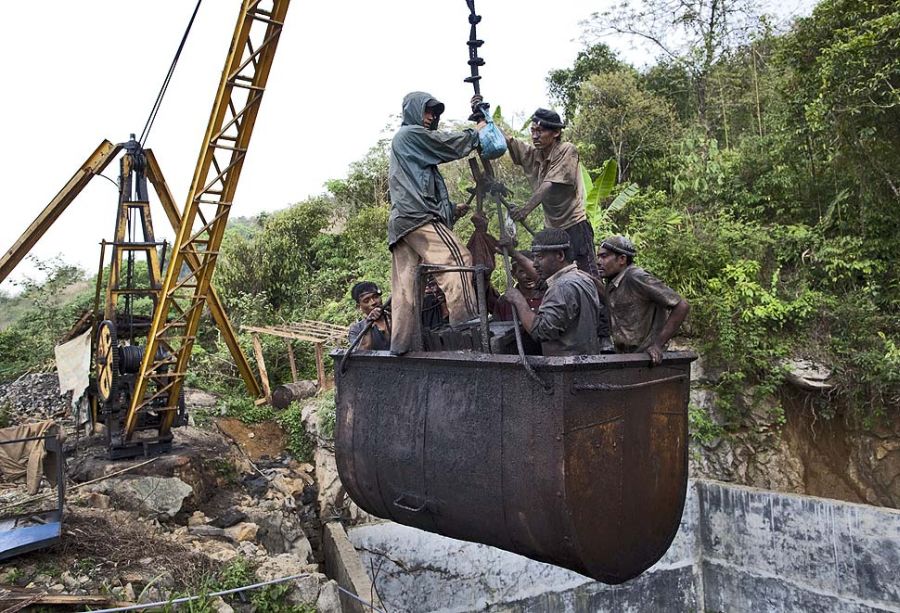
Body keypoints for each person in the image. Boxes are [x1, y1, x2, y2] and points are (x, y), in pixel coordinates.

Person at [388, 91, 487, 354]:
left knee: (407, 287)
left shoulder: (409, 146)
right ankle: (468, 321)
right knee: (458, 260)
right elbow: (447, 144)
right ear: (413, 112)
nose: (432, 117)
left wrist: (452, 210)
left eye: (436, 112)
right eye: (428, 110)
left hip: (402, 222)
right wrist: (477, 133)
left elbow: (418, 188)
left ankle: (401, 345)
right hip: (418, 216)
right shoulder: (409, 134)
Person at [502, 228, 602, 357]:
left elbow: (541, 332)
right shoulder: (583, 279)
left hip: (566, 368)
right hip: (587, 361)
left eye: (539, 257)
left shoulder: (561, 287)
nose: (535, 264)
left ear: (560, 255)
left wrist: (519, 300)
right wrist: (513, 253)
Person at [597, 235, 690, 366]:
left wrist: (657, 345)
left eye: (604, 256)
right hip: (627, 358)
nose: (599, 261)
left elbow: (682, 305)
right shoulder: (612, 282)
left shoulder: (636, 277)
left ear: (622, 259)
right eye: (598, 256)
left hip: (646, 359)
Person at [347, 281, 391, 350]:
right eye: (366, 301)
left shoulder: (395, 318)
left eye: (376, 297)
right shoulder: (356, 329)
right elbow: (362, 353)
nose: (373, 302)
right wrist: (369, 324)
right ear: (359, 306)